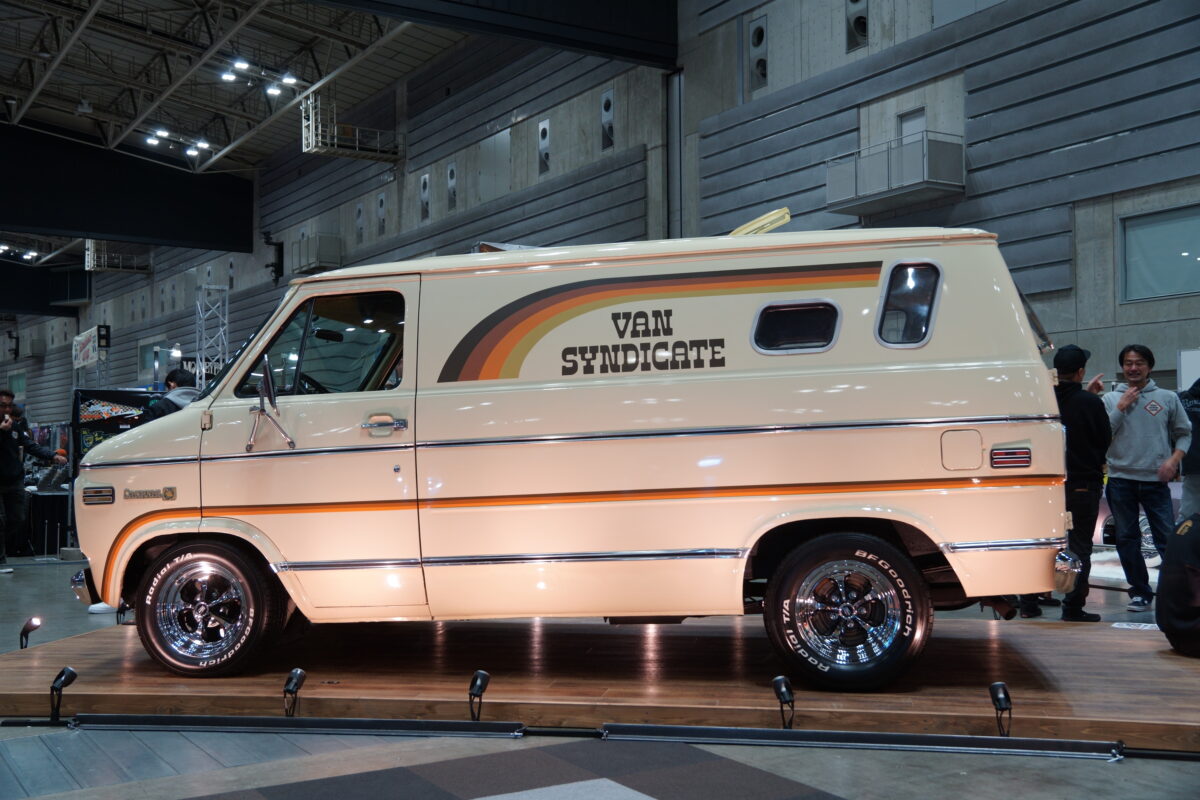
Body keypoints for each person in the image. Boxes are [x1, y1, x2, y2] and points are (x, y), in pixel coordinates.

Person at [1096, 345, 1192, 612]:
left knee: (1166, 538)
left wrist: (1174, 460)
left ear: (1149, 367)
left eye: (1139, 363)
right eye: (1128, 363)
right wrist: (1121, 408)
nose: (1133, 368)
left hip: (1155, 481)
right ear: (1122, 367)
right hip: (1120, 480)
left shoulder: (1167, 397)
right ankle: (1140, 592)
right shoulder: (1110, 400)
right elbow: (1102, 435)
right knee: (1127, 539)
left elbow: (1184, 433)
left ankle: (1177, 593)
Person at [1020, 346, 1111, 621]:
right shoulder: (1090, 403)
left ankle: (1028, 603)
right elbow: (1104, 440)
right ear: (1081, 372)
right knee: (1080, 546)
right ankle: (1072, 607)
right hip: (1082, 484)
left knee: (1040, 543)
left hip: (1043, 487)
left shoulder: (1039, 400)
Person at [0, 388, 68, 574]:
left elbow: (30, 445)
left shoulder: (14, 427)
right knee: (0, 520)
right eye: (3, 405)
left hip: (14, 480)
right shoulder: (5, 428)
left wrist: (52, 455)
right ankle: (0, 560)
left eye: (9, 406)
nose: (7, 410)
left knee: (18, 518)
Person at [1178, 377, 1200, 521]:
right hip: (1192, 464)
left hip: (1192, 463)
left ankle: (1184, 533)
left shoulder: (1182, 399)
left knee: (1187, 515)